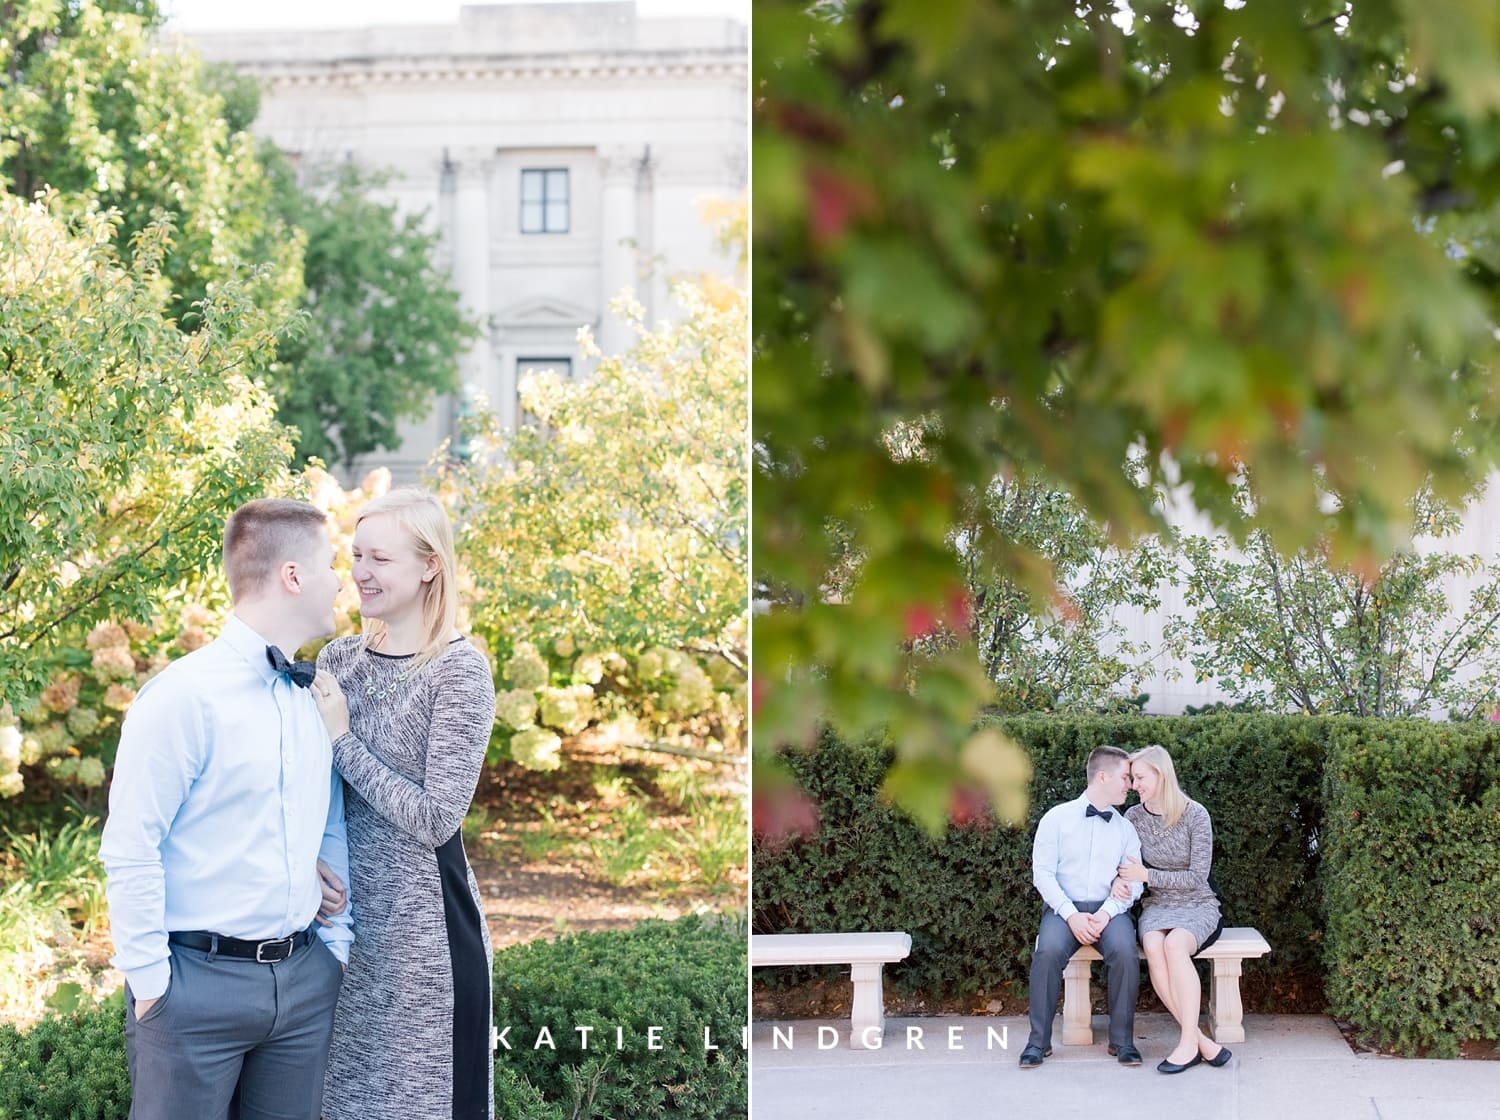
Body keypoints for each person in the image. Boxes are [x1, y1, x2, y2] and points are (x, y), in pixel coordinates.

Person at [100, 498, 354, 1120]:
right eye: (330, 563)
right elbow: (130, 847)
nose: (340, 580)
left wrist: (334, 951)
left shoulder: (313, 696)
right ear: (292, 575)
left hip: (302, 982)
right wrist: (154, 988)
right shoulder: (182, 697)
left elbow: (327, 825)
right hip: (192, 990)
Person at [308, 488, 497, 1120]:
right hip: (339, 929)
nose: (360, 573)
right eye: (356, 555)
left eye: (380, 559)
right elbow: (307, 789)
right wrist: (306, 868)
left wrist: (343, 740)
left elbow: (437, 818)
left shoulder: (459, 673)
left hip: (425, 939)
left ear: (429, 565)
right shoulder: (339, 661)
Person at [1019, 745, 1144, 1069]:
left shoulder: (1125, 828)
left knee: (1125, 953)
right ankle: (1038, 1043)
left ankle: (1123, 1042)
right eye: (1124, 777)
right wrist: (1072, 915)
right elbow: (1042, 874)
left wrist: (1105, 912)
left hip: (1109, 911)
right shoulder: (1056, 819)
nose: (1129, 784)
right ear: (1102, 776)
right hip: (1064, 910)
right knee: (1046, 953)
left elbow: (1135, 882)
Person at [1116, 743, 1231, 1073]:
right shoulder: (1132, 817)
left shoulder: (1196, 814)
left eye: (1139, 778)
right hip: (1158, 904)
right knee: (1153, 944)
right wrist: (1121, 880)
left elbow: (1197, 876)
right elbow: (1124, 862)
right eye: (1132, 779)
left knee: (1174, 944)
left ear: (1160, 774)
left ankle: (1185, 1043)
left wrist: (1147, 874)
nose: (1134, 785)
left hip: (1198, 903)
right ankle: (1200, 1041)